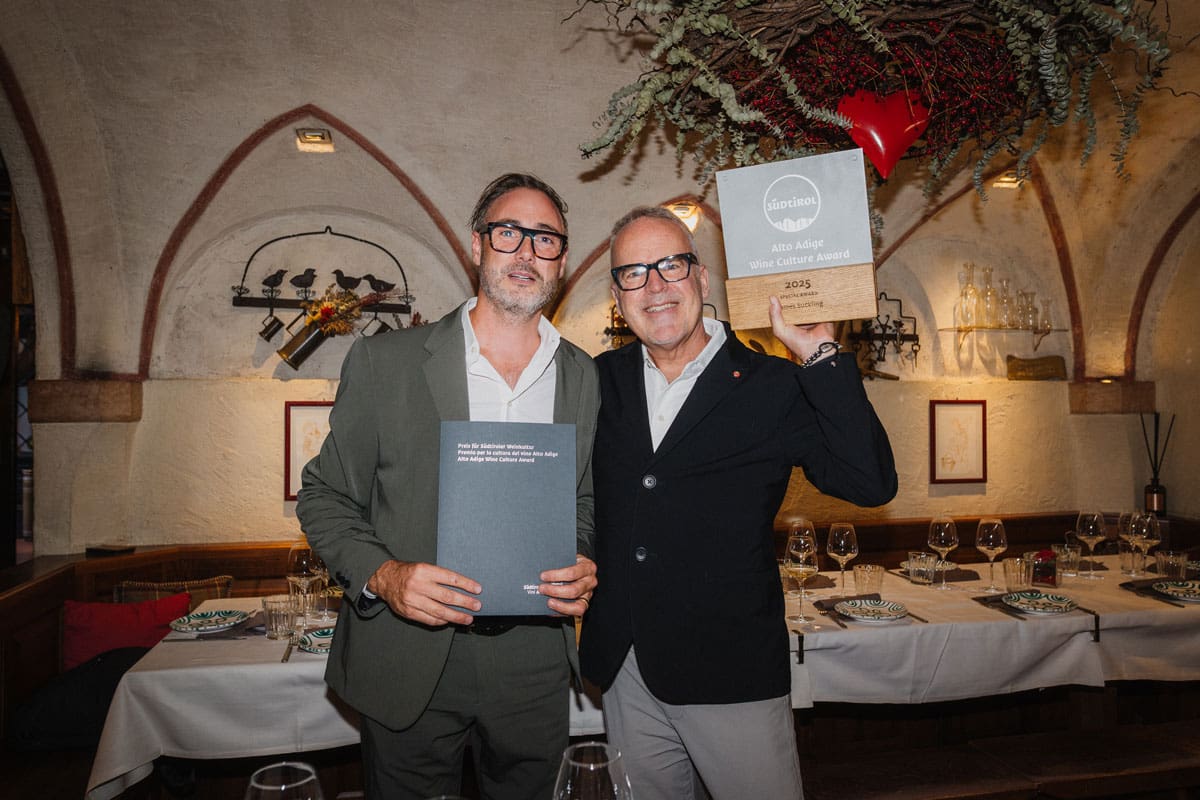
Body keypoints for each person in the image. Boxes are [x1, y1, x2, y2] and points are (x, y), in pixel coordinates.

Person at [296, 173, 599, 800]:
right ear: (477, 244)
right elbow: (323, 495)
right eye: (509, 232)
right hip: (411, 652)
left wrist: (582, 557)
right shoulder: (387, 362)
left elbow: (584, 499)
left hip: (533, 661)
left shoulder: (583, 376)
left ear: (562, 260)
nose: (526, 252)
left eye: (545, 238)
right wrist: (385, 576)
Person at [579, 206, 897, 799]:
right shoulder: (597, 380)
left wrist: (821, 355)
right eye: (633, 273)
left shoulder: (771, 384)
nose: (655, 286)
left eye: (671, 265)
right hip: (625, 665)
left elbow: (870, 482)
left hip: (731, 669)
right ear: (618, 297)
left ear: (703, 279)